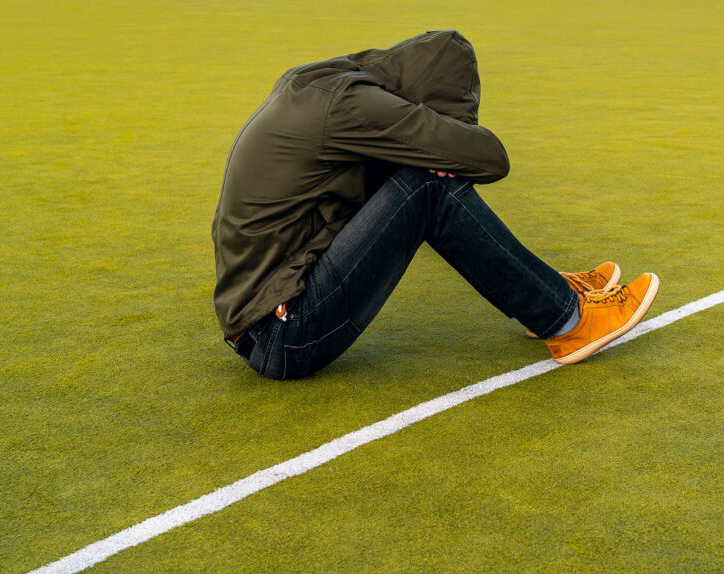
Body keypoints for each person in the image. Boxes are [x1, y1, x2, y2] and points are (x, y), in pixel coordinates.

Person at [211, 30, 659, 380]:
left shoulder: (322, 83)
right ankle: (568, 320)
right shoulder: (353, 105)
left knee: (417, 177)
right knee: (428, 182)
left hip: (268, 321)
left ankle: (545, 291)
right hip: (284, 334)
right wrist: (441, 149)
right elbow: (490, 159)